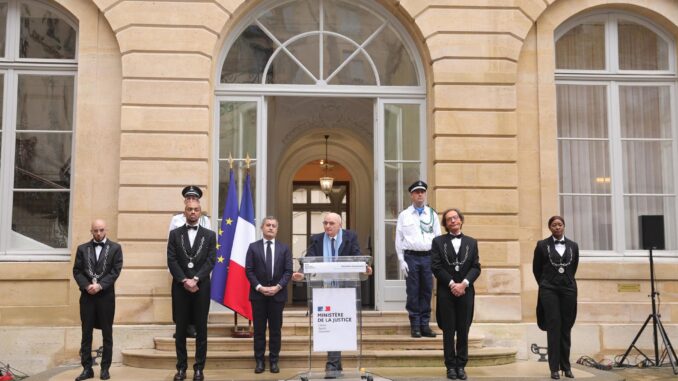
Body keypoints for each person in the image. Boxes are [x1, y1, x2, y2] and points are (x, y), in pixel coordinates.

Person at [292, 212, 372, 379]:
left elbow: (356, 255)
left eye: (331, 223)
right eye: (325, 223)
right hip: (324, 290)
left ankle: (333, 364)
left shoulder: (350, 237)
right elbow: (309, 259)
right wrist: (301, 272)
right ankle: (334, 364)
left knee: (338, 324)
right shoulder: (317, 239)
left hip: (345, 290)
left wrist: (364, 266)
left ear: (339, 225)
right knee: (329, 323)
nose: (327, 226)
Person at [167, 200, 217, 381]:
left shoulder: (210, 235)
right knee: (180, 330)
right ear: (185, 212)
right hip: (180, 287)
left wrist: (195, 279)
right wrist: (184, 280)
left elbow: (211, 260)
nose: (193, 212)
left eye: (196, 210)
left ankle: (199, 368)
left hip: (201, 287)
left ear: (200, 212)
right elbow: (171, 260)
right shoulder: (174, 234)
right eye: (189, 209)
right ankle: (181, 368)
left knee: (201, 329)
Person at [431, 208, 481, 380]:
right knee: (448, 330)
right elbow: (436, 267)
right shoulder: (438, 242)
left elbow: (476, 267)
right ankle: (450, 366)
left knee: (463, 329)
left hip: (466, 291)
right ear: (445, 224)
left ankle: (461, 365)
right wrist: (453, 284)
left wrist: (464, 284)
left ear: (461, 220)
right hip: (447, 291)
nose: (452, 221)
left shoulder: (472, 242)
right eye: (449, 219)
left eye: (455, 218)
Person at [72, 220, 124, 381]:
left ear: (105, 230)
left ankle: (105, 369)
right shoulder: (82, 249)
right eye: (95, 230)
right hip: (87, 297)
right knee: (86, 333)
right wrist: (87, 286)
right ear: (91, 231)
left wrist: (100, 286)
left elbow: (116, 271)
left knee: (107, 333)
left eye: (101, 230)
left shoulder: (115, 248)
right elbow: (77, 271)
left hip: (106, 297)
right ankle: (87, 368)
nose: (99, 233)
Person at [245, 217, 293, 374]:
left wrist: (277, 287)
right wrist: (259, 287)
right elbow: (249, 270)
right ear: (262, 228)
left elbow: (288, 271)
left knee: (275, 330)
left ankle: (274, 361)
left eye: (274, 226)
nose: (271, 228)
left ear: (277, 229)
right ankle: (259, 361)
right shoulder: (253, 247)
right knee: (259, 330)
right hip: (258, 296)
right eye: (268, 225)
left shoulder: (284, 248)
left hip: (277, 296)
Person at [533, 216, 579, 380]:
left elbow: (573, 268)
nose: (557, 227)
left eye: (560, 225)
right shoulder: (542, 245)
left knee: (566, 327)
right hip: (549, 289)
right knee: (554, 327)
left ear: (564, 226)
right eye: (554, 225)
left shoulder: (573, 246)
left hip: (568, 289)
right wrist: (546, 283)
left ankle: (566, 367)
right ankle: (554, 368)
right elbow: (536, 269)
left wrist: (565, 281)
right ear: (550, 228)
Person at [395, 180, 441, 338]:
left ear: (425, 194)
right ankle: (415, 325)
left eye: (422, 191)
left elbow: (438, 239)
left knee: (427, 291)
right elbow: (398, 239)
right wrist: (401, 259)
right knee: (413, 292)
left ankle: (425, 325)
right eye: (417, 192)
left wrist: (437, 261)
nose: (420, 194)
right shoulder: (404, 215)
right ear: (411, 195)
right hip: (411, 257)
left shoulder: (432, 214)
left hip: (428, 257)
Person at [169, 185, 210, 339]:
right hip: (181, 269)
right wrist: (178, 275)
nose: (191, 200)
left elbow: (209, 247)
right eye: (189, 198)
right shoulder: (176, 219)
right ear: (185, 201)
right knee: (179, 302)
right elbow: (170, 242)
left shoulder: (205, 220)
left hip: (199, 271)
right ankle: (181, 326)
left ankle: (193, 326)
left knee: (198, 302)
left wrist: (200, 276)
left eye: (194, 198)